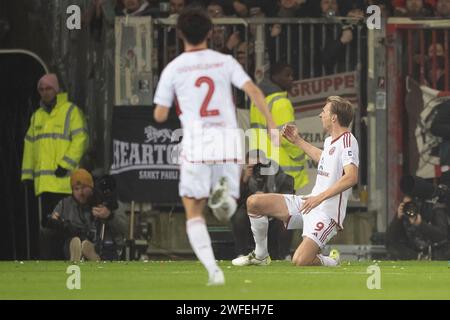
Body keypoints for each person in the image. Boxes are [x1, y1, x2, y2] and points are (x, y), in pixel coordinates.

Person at [153, 7, 278, 285]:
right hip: (227, 140)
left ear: (180, 33)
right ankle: (226, 199)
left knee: (193, 211)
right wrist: (271, 125)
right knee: (230, 202)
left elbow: (160, 115)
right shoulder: (225, 62)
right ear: (210, 33)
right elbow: (253, 91)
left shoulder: (173, 68)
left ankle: (213, 270)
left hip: (197, 142)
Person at [232, 96, 359, 267]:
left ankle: (332, 260)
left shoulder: (348, 141)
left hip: (326, 214)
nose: (321, 115)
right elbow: (323, 158)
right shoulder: (330, 141)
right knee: (254, 202)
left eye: (324, 111)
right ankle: (261, 255)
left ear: (334, 117)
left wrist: (319, 198)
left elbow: (351, 177)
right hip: (308, 203)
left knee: (300, 261)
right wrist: (298, 141)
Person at [21, 73, 88, 258]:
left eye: (48, 88)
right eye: (41, 90)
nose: (45, 93)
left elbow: (81, 139)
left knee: (68, 225)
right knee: (50, 227)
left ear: (56, 90)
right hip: (46, 185)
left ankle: (71, 257)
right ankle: (52, 260)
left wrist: (65, 164)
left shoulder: (70, 111)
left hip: (66, 184)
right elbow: (30, 146)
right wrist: (27, 176)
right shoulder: (37, 116)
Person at [250, 62, 308, 192]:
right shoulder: (281, 102)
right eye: (287, 75)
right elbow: (287, 137)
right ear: (274, 77)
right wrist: (301, 156)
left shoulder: (256, 102)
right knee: (285, 211)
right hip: (283, 171)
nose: (291, 78)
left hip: (263, 167)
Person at [48, 169, 127, 262]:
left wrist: (110, 216)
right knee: (72, 241)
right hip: (71, 244)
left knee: (97, 243)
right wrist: (55, 223)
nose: (80, 193)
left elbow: (124, 229)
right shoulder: (65, 204)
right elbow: (51, 223)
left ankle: (91, 255)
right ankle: (78, 255)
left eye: (84, 188)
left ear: (91, 187)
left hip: (104, 248)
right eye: (76, 189)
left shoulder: (107, 202)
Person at [231, 150, 295, 259]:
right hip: (250, 217)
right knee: (238, 217)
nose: (258, 169)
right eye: (253, 166)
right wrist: (244, 180)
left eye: (260, 165)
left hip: (274, 217)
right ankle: (241, 253)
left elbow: (288, 198)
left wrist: (268, 198)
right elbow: (234, 203)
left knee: (288, 217)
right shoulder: (242, 177)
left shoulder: (277, 175)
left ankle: (285, 254)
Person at [386, 194, 449, 260]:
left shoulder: (432, 210)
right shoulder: (403, 215)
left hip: (434, 251)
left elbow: (442, 235)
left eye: (411, 205)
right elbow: (389, 239)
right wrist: (397, 218)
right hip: (412, 252)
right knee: (393, 247)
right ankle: (420, 258)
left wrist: (421, 224)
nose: (409, 208)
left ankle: (425, 258)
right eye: (405, 205)